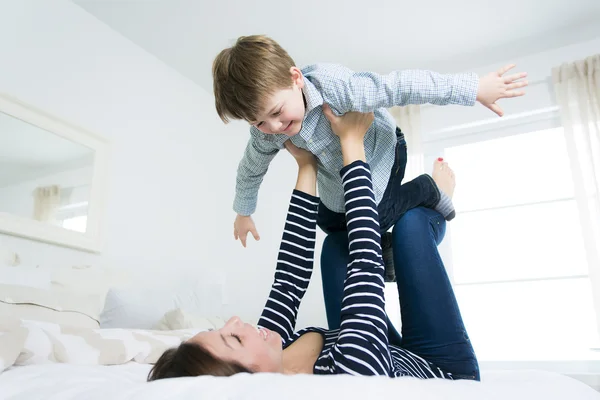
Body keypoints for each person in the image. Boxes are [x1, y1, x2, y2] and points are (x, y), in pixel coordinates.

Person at [148, 109, 479, 381]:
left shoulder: (272, 348)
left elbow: (289, 280)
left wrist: (306, 165)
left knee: (335, 246)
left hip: (389, 350)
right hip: (440, 364)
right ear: (250, 382)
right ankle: (432, 210)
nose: (235, 321)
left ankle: (399, 253)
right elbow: (365, 264)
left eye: (224, 327)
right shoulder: (350, 374)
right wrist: (352, 143)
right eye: (233, 338)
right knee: (410, 226)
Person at [212, 35, 527, 248]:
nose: (274, 127)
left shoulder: (338, 87)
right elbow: (250, 168)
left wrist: (472, 88)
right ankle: (383, 251)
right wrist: (243, 211)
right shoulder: (265, 132)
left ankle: (429, 189)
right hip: (339, 179)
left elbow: (401, 86)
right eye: (259, 123)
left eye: (276, 113)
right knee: (329, 226)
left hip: (381, 154)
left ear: (296, 79)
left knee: (373, 222)